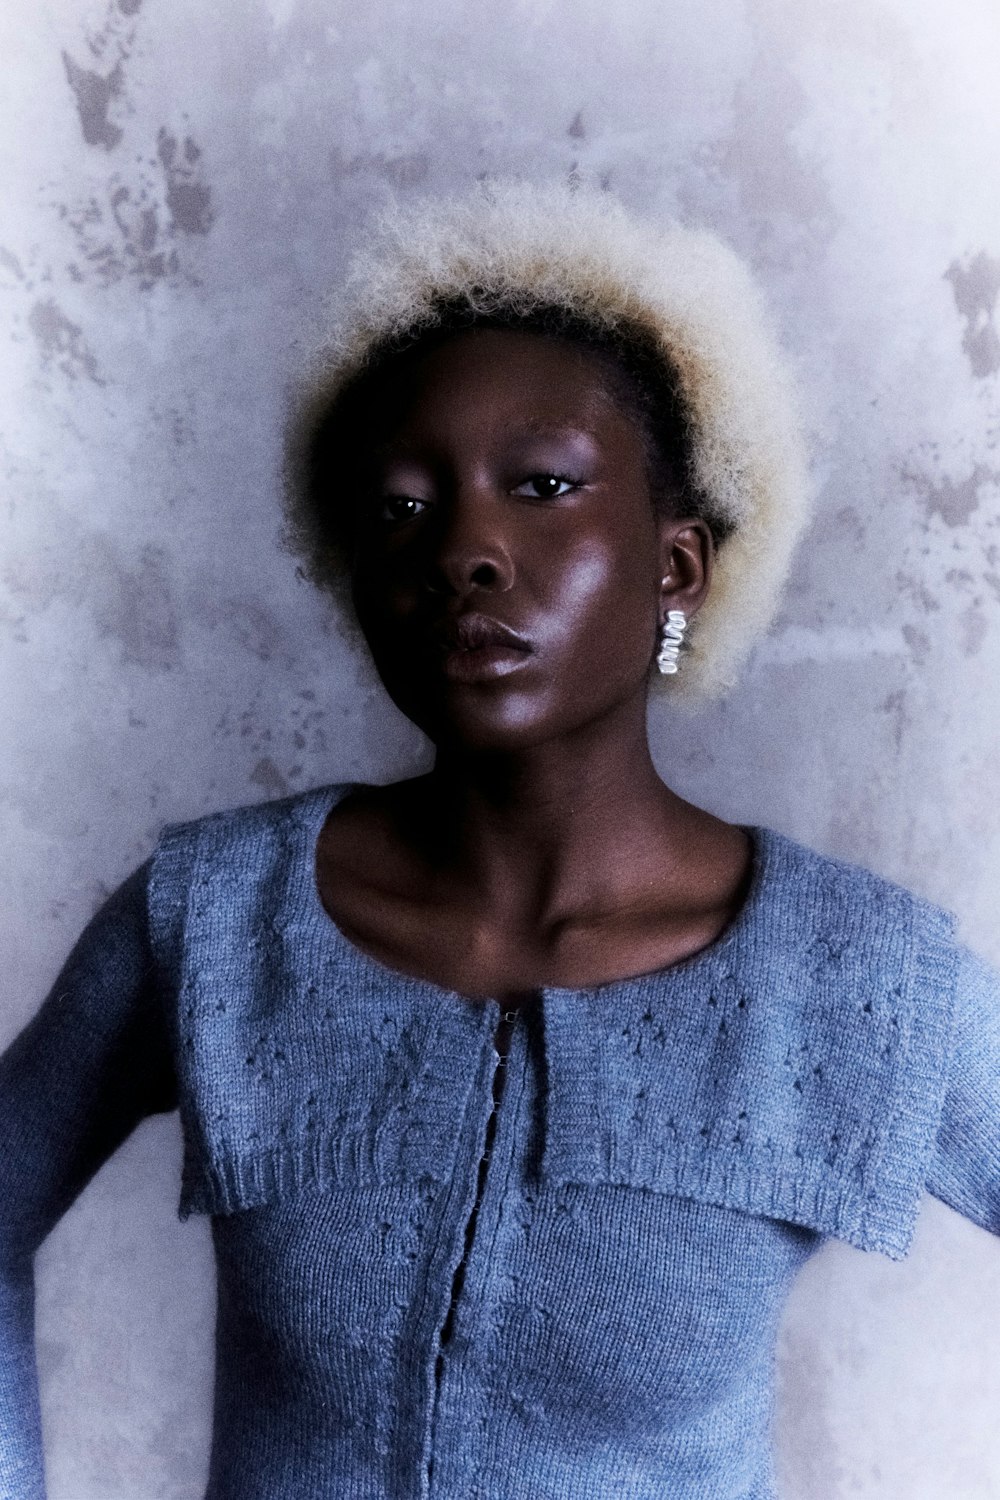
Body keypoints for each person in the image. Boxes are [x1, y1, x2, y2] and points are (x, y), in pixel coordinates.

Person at [1, 179, 998, 1500]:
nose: (469, 547)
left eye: (542, 486)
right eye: (406, 508)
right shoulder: (216, 918)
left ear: (677, 565)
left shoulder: (858, 974)